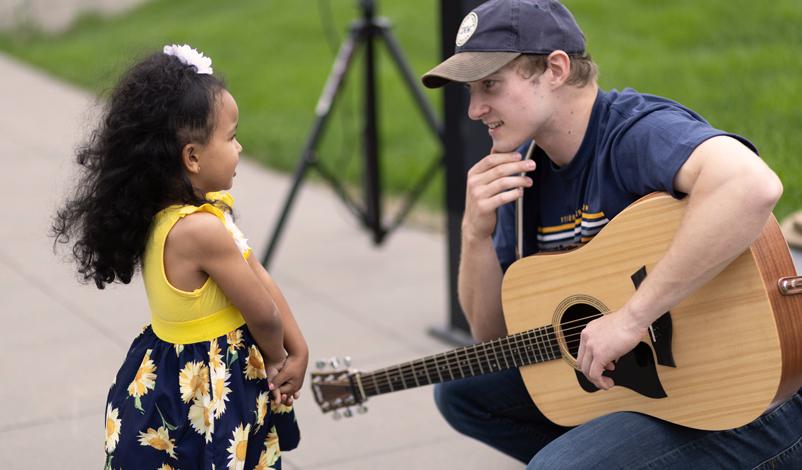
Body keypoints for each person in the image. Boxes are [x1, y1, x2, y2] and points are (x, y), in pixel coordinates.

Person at [421, 0, 802, 468]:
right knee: (463, 392)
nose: (475, 109)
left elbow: (752, 185)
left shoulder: (634, 132)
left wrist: (631, 318)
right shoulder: (523, 176)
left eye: (490, 85)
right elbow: (496, 341)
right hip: (662, 386)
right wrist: (475, 232)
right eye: (470, 91)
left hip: (760, 393)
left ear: (555, 69)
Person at [52, 44, 306, 469]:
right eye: (231, 136)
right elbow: (263, 311)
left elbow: (256, 274)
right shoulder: (201, 230)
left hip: (167, 378)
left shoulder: (175, 215)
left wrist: (300, 351)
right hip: (208, 390)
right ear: (192, 156)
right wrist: (281, 357)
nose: (240, 148)